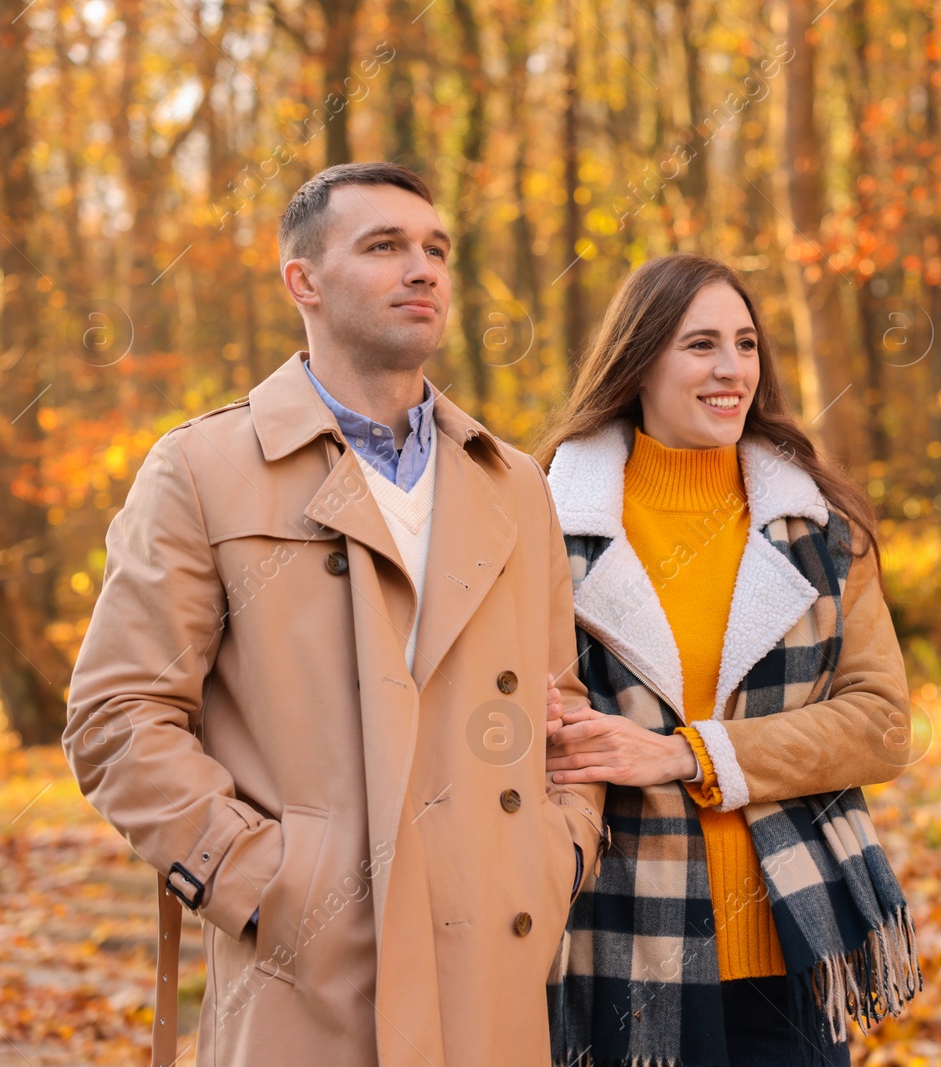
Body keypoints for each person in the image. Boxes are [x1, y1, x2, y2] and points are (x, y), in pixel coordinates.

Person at [64, 161, 606, 1067]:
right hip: (306, 972)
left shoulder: (514, 483)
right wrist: (265, 885)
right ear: (302, 280)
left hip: (494, 966)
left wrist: (558, 854)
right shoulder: (201, 469)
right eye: (385, 246)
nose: (423, 268)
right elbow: (117, 718)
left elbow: (561, 708)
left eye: (435, 248)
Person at [537, 253, 920, 1067]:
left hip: (790, 938)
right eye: (700, 344)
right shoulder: (540, 522)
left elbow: (882, 724)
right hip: (615, 939)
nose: (732, 368)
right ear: (639, 360)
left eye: (746, 344)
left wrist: (688, 752)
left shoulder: (817, 521)